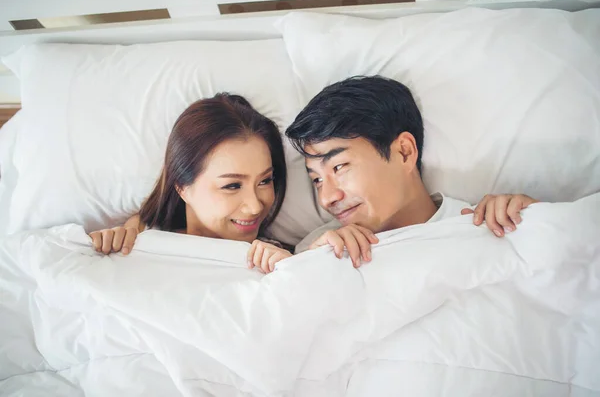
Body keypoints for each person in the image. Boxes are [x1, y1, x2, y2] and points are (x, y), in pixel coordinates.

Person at [286, 76, 538, 267]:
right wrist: (312, 266)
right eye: (317, 179)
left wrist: (536, 221)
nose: (326, 198)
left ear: (404, 152)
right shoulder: (319, 246)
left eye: (339, 167)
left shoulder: (484, 224)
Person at [89, 93, 292, 274]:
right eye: (232, 185)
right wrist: (104, 246)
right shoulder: (140, 239)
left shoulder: (278, 260)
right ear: (182, 187)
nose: (255, 206)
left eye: (265, 181)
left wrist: (292, 271)